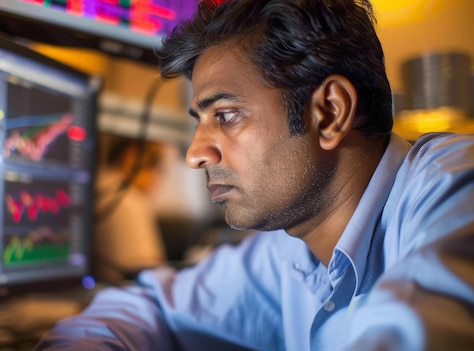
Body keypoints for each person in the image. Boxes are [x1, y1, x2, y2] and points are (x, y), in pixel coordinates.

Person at [35, 0, 474, 350]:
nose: (194, 154)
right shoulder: (287, 251)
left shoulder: (454, 186)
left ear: (330, 112)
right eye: (199, 121)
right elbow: (151, 306)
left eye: (226, 115)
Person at [92, 134, 169, 284]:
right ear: (132, 157)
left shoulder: (100, 188)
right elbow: (153, 280)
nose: (157, 181)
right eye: (155, 166)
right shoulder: (126, 201)